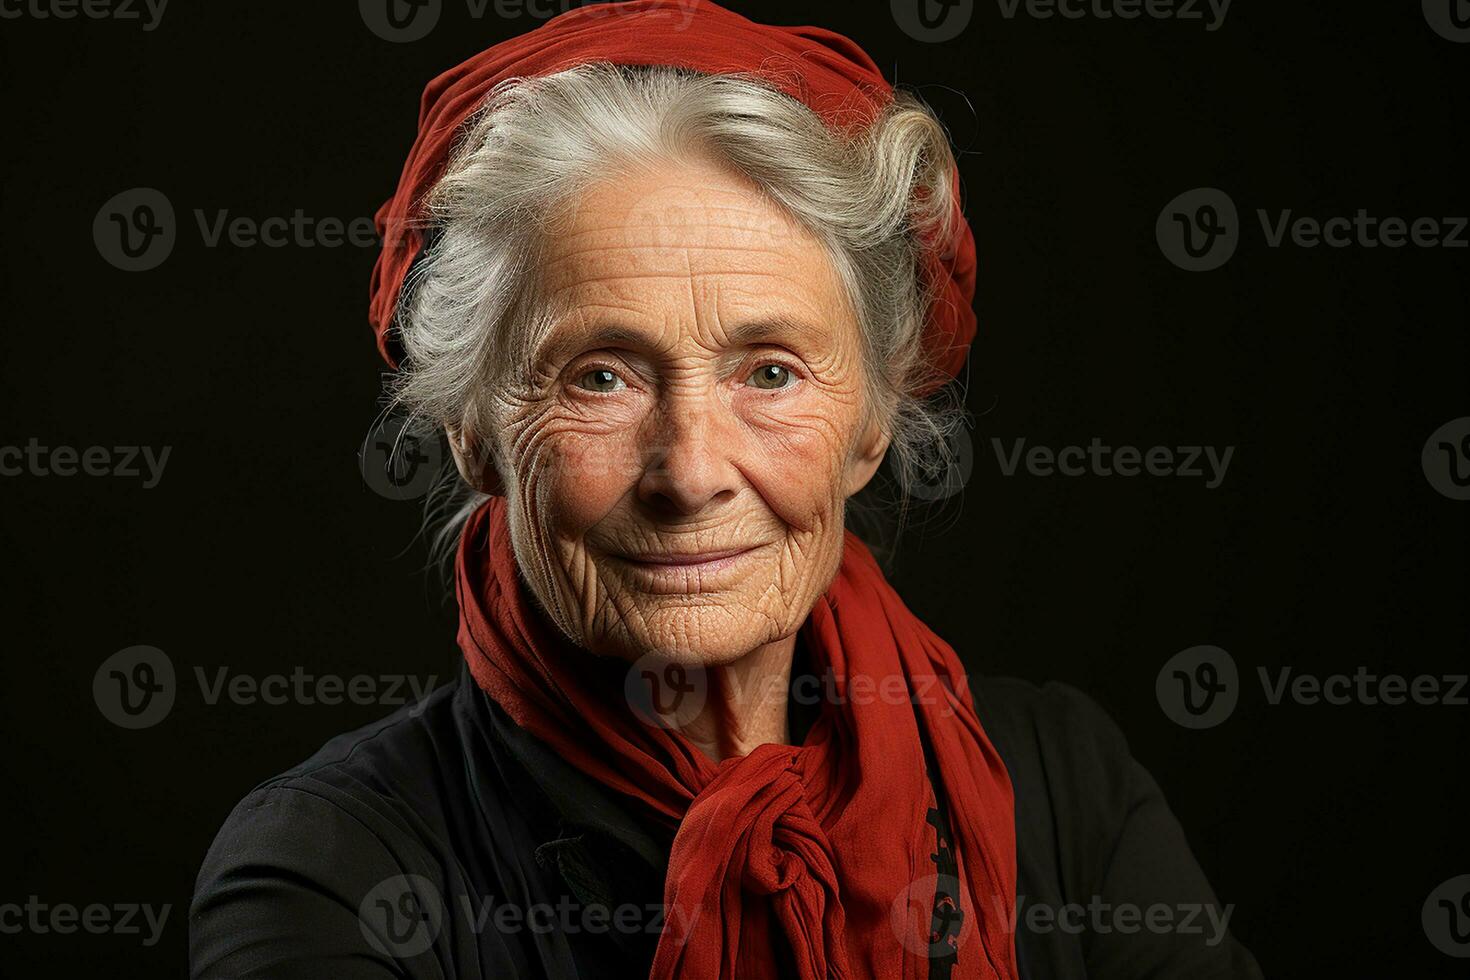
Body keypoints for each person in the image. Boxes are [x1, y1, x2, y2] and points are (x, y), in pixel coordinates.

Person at [190, 3, 1262, 977]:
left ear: (873, 419)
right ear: (474, 431)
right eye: (600, 376)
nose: (693, 472)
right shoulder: (329, 869)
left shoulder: (1060, 786)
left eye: (770, 372)